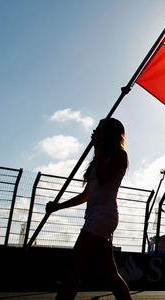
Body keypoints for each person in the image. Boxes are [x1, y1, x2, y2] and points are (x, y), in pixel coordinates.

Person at [46, 118, 132, 300]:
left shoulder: (119, 155)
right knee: (110, 273)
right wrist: (58, 207)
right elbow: (86, 194)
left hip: (103, 216)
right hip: (95, 216)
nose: (95, 131)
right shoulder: (99, 158)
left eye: (100, 129)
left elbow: (103, 178)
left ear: (109, 133)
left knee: (74, 266)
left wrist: (97, 147)